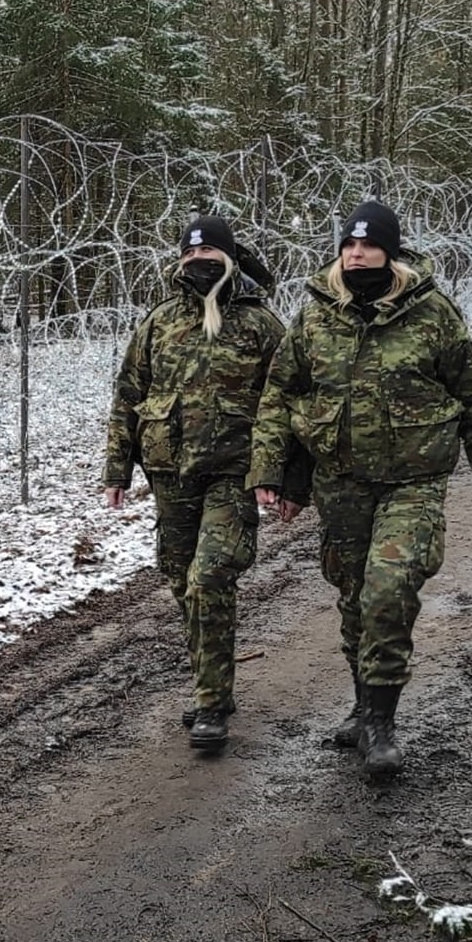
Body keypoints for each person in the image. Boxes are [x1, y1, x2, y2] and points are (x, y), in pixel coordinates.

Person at [247, 200, 472, 778]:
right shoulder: (316, 315)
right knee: (353, 594)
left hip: (412, 481)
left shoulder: (433, 314)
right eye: (348, 245)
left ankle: (381, 724)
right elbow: (280, 396)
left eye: (368, 245)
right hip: (338, 481)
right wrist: (270, 471)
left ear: (391, 251)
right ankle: (363, 706)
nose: (356, 253)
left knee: (389, 588)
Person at [103, 215, 309, 750]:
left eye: (210, 256)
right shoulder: (160, 322)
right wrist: (117, 470)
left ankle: (211, 702)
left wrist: (288, 477)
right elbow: (128, 395)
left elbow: (292, 402)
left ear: (229, 259)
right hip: (170, 475)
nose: (200, 264)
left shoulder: (260, 325)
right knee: (180, 581)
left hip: (234, 475)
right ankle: (213, 681)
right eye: (191, 257)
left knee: (209, 577)